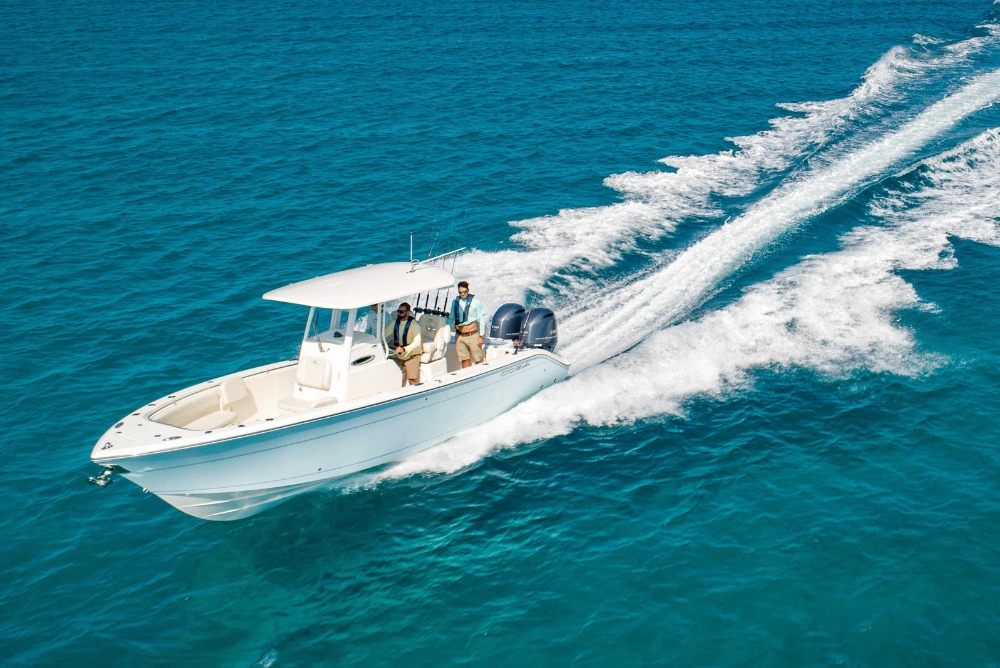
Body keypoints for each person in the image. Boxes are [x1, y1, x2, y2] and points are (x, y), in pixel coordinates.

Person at [446, 281, 487, 368]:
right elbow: (451, 317)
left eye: (464, 292)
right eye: (460, 292)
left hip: (472, 335)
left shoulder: (476, 302)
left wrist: (481, 336)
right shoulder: (455, 302)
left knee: (478, 358)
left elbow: (482, 318)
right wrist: (445, 327)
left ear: (468, 290)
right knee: (464, 359)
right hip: (459, 336)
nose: (463, 294)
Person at [384, 302, 422, 386]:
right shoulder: (394, 323)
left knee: (412, 379)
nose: (399, 313)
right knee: (394, 376)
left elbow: (417, 342)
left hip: (412, 355)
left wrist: (404, 349)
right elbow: (384, 334)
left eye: (402, 312)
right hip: (400, 355)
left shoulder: (414, 325)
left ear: (408, 313)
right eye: (398, 311)